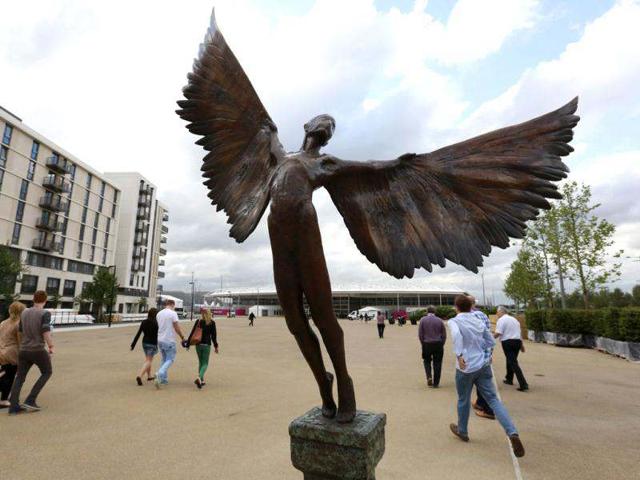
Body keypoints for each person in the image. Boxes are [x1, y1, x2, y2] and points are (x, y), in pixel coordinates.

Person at [448, 295, 524, 458]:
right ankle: (512, 432)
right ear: (471, 306)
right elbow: (490, 341)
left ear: (457, 307)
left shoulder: (454, 321)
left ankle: (463, 430)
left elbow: (456, 337)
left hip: (466, 367)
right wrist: (480, 350)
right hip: (483, 365)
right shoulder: (478, 321)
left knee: (463, 399)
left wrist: (461, 354)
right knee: (493, 400)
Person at [8, 291, 55, 415]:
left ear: (33, 299)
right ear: (45, 300)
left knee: (20, 377)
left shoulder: (24, 312)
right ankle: (31, 399)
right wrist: (51, 346)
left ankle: (13, 406)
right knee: (47, 372)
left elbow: (21, 331)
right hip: (37, 349)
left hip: (24, 349)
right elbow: (46, 331)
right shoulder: (45, 313)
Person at [468, 296, 495, 420]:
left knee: (482, 383)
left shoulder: (469, 317)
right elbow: (488, 335)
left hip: (475, 354)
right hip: (485, 353)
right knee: (481, 381)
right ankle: (480, 403)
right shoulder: (484, 315)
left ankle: (488, 410)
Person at [495, 306, 528, 391]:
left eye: (497, 312)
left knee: (513, 362)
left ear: (501, 312)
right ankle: (509, 378)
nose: (497, 314)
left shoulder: (501, 320)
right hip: (517, 342)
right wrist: (521, 345)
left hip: (507, 342)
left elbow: (498, 332)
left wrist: (490, 339)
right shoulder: (514, 320)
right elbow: (518, 333)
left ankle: (523, 384)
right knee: (510, 360)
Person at [154, 299, 186, 388]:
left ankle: (163, 379)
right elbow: (176, 327)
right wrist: (182, 337)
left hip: (160, 339)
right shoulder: (173, 313)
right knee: (170, 359)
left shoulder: (159, 314)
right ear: (172, 305)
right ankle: (160, 373)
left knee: (164, 359)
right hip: (169, 339)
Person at [0, 302, 26, 409]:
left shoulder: (3, 323)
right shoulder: (19, 324)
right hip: (12, 352)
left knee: (5, 372)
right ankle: (4, 400)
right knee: (10, 377)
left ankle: (4, 398)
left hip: (1, 350)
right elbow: (20, 341)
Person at [186, 309, 219, 388]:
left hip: (198, 344)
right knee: (205, 363)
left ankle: (202, 380)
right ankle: (199, 377)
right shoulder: (211, 322)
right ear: (209, 314)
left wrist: (188, 344)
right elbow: (214, 336)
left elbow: (192, 332)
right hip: (206, 345)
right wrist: (216, 346)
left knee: (201, 362)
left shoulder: (198, 322)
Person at [418, 306, 446, 387]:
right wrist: (442, 343)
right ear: (435, 311)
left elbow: (420, 334)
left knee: (426, 361)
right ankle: (436, 383)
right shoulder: (439, 320)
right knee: (437, 363)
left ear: (427, 311)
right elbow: (444, 334)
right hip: (438, 343)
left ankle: (429, 376)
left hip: (427, 343)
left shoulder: (423, 320)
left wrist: (422, 343)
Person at [130, 308, 159, 386]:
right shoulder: (156, 323)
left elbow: (138, 333)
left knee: (148, 360)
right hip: (152, 343)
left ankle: (149, 376)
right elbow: (158, 334)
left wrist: (133, 344)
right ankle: (139, 376)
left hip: (144, 342)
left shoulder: (144, 322)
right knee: (149, 361)